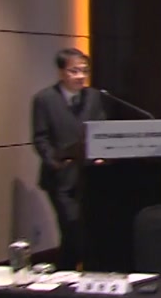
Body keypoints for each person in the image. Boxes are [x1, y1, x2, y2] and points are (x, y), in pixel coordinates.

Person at [32, 47, 107, 271]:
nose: (80, 76)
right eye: (74, 71)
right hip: (60, 178)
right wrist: (54, 162)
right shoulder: (44, 99)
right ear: (61, 72)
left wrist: (101, 155)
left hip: (89, 176)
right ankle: (72, 273)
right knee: (72, 228)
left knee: (82, 233)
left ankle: (66, 275)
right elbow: (41, 138)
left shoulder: (94, 97)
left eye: (84, 71)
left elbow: (100, 130)